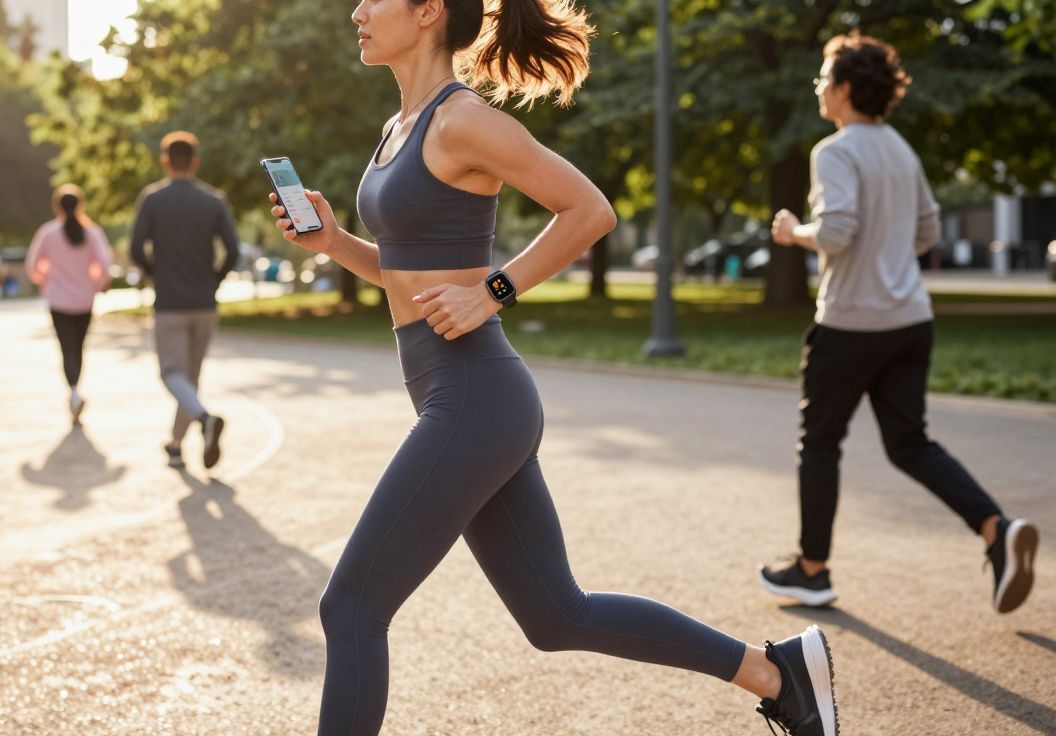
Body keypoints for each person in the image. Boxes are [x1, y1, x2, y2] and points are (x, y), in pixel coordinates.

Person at [266, 1, 839, 734]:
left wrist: (496, 291)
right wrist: (337, 243)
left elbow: (590, 210)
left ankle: (779, 673)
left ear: (429, 11)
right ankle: (776, 672)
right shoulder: (398, 128)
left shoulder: (462, 120)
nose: (357, 10)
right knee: (555, 614)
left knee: (351, 607)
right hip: (461, 395)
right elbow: (410, 275)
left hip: (474, 395)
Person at [763, 32, 1038, 615]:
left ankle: (812, 571)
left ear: (842, 89)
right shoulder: (901, 149)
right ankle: (995, 528)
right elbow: (929, 232)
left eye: (822, 78)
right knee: (910, 442)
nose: (818, 87)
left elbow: (836, 232)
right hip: (910, 320)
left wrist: (792, 234)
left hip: (851, 324)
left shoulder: (834, 151)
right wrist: (888, 262)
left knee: (820, 445)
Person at [130, 131, 239, 470]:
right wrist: (214, 281)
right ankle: (176, 445)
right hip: (204, 303)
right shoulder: (213, 200)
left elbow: (136, 250)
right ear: (195, 161)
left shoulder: (152, 199)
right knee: (189, 379)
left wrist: (155, 273)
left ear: (165, 160)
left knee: (171, 375)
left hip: (170, 303)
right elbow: (233, 251)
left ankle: (205, 419)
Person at [25, 184, 114, 424]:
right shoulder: (92, 233)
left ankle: (73, 392)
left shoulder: (49, 233)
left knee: (67, 348)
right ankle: (75, 391)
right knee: (79, 347)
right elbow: (105, 264)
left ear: (56, 206)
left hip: (59, 300)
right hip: (84, 299)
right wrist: (96, 284)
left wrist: (45, 282)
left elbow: (33, 264)